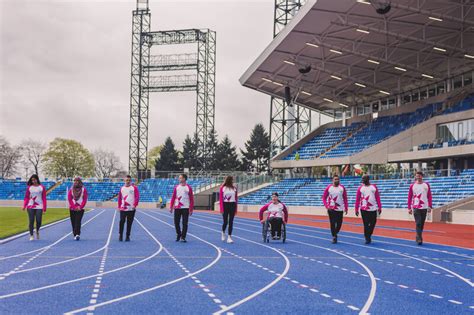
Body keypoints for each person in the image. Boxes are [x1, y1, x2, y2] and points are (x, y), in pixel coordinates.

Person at [355, 174, 382, 244]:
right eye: (362, 179)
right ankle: (367, 237)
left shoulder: (373, 187)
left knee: (373, 223)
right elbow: (357, 199)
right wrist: (356, 209)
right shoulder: (360, 188)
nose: (363, 181)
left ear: (368, 179)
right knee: (366, 224)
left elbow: (377, 198)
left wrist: (379, 207)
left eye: (364, 179)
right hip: (364, 209)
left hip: (373, 209)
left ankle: (368, 234)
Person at [407, 171, 433, 245]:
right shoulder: (412, 186)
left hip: (424, 207)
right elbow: (409, 197)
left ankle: (418, 236)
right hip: (416, 207)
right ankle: (419, 238)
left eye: (419, 176)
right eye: (417, 176)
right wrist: (409, 207)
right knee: (418, 223)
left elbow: (429, 196)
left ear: (422, 176)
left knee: (422, 224)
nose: (418, 177)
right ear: (415, 177)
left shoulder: (426, 185)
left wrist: (430, 206)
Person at [322, 174, 348, 244]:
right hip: (331, 209)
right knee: (332, 223)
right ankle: (334, 236)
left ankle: (335, 233)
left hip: (340, 209)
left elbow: (345, 198)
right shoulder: (329, 188)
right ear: (332, 180)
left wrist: (346, 207)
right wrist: (327, 206)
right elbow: (324, 197)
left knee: (339, 224)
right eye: (335, 179)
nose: (337, 180)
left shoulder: (342, 188)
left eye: (338, 179)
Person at [170, 174, 194, 243]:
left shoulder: (188, 188)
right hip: (177, 207)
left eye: (180, 178)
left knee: (185, 223)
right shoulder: (176, 187)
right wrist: (171, 207)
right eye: (179, 178)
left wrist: (191, 209)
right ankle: (178, 234)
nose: (179, 179)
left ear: (184, 179)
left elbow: (191, 199)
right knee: (176, 222)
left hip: (185, 208)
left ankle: (183, 237)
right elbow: (173, 197)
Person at [22, 174, 47, 241]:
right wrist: (24, 206)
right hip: (30, 205)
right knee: (31, 220)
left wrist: (44, 208)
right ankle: (31, 235)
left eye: (34, 180)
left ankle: (37, 230)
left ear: (37, 179)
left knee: (39, 221)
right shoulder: (29, 188)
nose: (33, 181)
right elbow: (26, 197)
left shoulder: (42, 187)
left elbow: (44, 198)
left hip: (39, 206)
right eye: (32, 180)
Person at [117, 175, 139, 242]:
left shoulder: (134, 188)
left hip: (131, 209)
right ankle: (120, 235)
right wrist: (119, 206)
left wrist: (135, 205)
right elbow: (119, 198)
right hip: (123, 209)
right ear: (124, 180)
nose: (128, 181)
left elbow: (137, 197)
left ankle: (127, 236)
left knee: (129, 223)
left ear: (131, 181)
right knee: (122, 221)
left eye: (129, 180)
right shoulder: (122, 188)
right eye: (126, 180)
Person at [219, 176, 238, 243]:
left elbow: (236, 199)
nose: (233, 181)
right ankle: (223, 232)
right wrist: (221, 209)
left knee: (231, 222)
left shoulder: (234, 188)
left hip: (232, 204)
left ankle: (229, 237)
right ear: (229, 180)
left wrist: (236, 209)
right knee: (225, 222)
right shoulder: (223, 188)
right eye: (232, 180)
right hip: (225, 205)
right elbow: (221, 199)